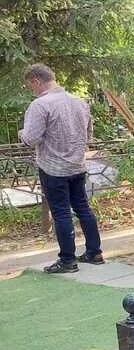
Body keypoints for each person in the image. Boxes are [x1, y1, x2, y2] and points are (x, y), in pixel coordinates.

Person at [19, 63, 103, 273]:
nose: (32, 90)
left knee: (61, 212)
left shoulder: (40, 105)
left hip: (53, 168)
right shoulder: (80, 102)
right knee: (83, 207)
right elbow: (88, 135)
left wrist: (21, 134)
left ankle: (67, 260)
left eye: (31, 86)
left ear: (36, 81)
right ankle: (94, 253)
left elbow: (31, 138)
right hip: (77, 165)